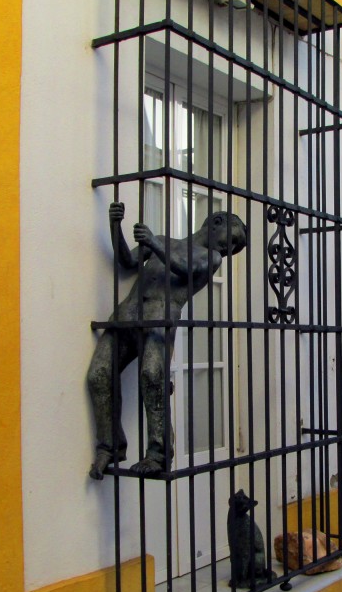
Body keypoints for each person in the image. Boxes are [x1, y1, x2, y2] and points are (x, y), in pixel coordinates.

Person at [87, 201, 247, 479]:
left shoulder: (211, 258)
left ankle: (159, 455)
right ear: (215, 222)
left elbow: (185, 267)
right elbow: (127, 261)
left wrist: (152, 242)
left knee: (152, 377)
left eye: (235, 248)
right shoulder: (162, 241)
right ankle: (110, 447)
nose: (230, 249)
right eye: (232, 241)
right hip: (128, 314)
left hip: (160, 320)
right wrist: (116, 227)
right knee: (99, 375)